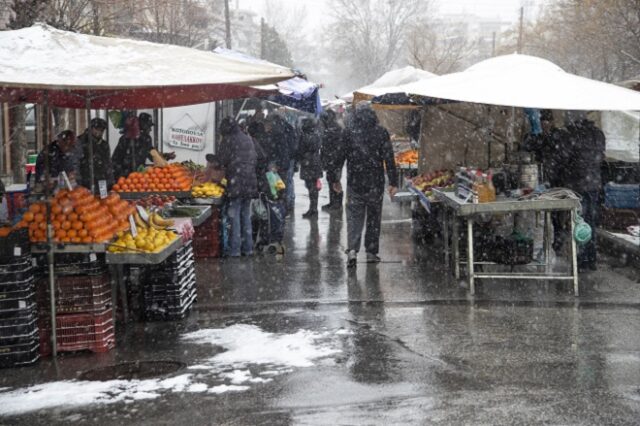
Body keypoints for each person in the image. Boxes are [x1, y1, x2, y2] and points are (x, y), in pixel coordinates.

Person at [329, 104, 398, 267]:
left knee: (354, 217)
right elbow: (389, 158)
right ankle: (371, 252)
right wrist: (394, 182)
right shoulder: (381, 132)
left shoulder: (349, 132)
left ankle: (352, 250)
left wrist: (335, 179)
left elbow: (339, 156)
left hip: (355, 182)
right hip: (375, 183)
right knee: (374, 217)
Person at [564, 112, 605, 271]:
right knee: (590, 222)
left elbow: (565, 157)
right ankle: (590, 258)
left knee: (578, 221)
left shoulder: (573, 134)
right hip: (593, 183)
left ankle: (580, 259)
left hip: (577, 185)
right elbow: (600, 156)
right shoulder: (598, 134)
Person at [218, 117, 258, 258]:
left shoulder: (228, 139)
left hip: (236, 181)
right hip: (250, 181)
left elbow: (221, 161)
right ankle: (248, 248)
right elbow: (256, 157)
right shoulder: (247, 138)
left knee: (234, 215)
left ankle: (235, 250)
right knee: (246, 214)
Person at [112, 112, 174, 180]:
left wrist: (166, 156)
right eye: (148, 126)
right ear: (142, 125)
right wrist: (121, 173)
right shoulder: (126, 139)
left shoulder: (146, 139)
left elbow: (153, 155)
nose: (150, 129)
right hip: (124, 178)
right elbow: (115, 159)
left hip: (139, 177)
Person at [77, 117, 114, 191]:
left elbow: (108, 163)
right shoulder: (81, 141)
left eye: (102, 130)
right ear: (91, 128)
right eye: (97, 129)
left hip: (102, 181)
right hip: (85, 181)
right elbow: (77, 162)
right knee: (86, 200)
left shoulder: (104, 144)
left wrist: (110, 180)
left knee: (104, 200)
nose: (99, 132)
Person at [297, 118, 323, 218]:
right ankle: (314, 208)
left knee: (310, 187)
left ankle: (313, 210)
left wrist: (300, 157)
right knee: (314, 188)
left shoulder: (304, 136)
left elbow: (300, 150)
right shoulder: (317, 135)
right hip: (316, 162)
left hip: (307, 163)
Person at [320, 109, 344, 211]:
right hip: (330, 159)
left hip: (335, 160)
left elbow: (335, 145)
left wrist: (332, 159)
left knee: (335, 180)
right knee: (331, 180)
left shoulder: (334, 128)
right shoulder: (329, 127)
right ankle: (333, 202)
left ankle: (337, 203)